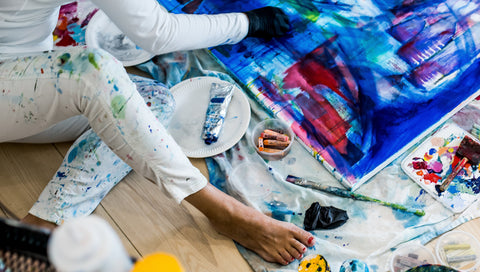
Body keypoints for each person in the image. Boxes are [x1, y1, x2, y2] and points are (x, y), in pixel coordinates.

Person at [0, 0, 315, 265]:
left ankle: (45, 223)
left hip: (19, 83)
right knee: (95, 71)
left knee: (151, 102)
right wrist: (251, 21)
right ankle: (219, 209)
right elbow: (158, 32)